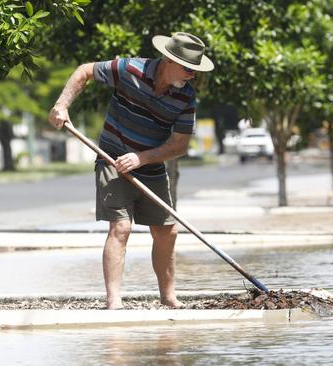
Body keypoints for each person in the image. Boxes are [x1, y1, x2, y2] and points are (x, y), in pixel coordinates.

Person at [48, 32, 214, 309]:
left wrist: (141, 158)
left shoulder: (186, 98)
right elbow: (84, 71)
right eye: (188, 68)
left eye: (195, 70)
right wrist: (62, 105)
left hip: (150, 164)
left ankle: (169, 297)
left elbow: (179, 145)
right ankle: (114, 302)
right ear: (169, 60)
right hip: (111, 160)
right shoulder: (129, 69)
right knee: (121, 227)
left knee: (167, 232)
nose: (192, 75)